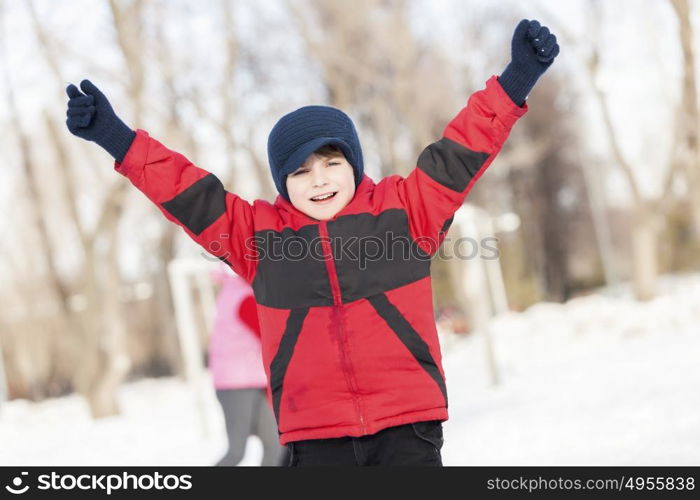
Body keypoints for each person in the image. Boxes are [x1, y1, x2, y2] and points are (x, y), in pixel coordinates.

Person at [65, 19, 559, 466]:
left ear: (353, 164)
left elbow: (461, 153)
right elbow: (187, 192)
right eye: (300, 171)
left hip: (407, 425)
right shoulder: (258, 239)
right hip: (314, 434)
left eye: (331, 164)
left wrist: (516, 79)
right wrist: (115, 136)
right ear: (282, 181)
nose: (318, 181)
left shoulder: (404, 213)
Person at [208, 266, 285, 466]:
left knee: (274, 446)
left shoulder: (237, 292)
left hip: (253, 380)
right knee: (236, 452)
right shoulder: (243, 298)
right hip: (235, 385)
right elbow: (270, 335)